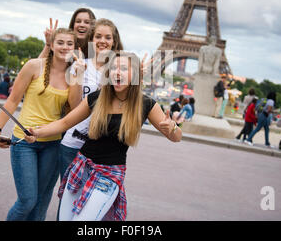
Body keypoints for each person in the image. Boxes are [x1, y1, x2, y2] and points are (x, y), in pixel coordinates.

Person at [25, 51, 182, 221]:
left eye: (123, 68)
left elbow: (176, 137)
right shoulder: (98, 98)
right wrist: (37, 132)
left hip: (109, 175)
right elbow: (65, 123)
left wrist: (172, 128)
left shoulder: (145, 104)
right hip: (81, 166)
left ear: (135, 74)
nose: (117, 72)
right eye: (113, 68)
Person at [0, 28, 79, 221]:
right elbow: (13, 100)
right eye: (60, 42)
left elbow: (74, 109)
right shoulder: (34, 66)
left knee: (41, 201)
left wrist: (78, 77)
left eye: (69, 44)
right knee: (27, 201)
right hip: (24, 140)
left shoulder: (73, 74)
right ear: (52, 45)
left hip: (53, 143)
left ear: (75, 48)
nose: (65, 47)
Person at [58, 19, 124, 181]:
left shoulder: (119, 71)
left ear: (114, 42)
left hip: (102, 147)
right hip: (73, 143)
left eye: (108, 37)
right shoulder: (79, 65)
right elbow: (74, 107)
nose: (103, 41)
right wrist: (78, 76)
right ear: (91, 40)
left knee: (88, 203)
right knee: (67, 199)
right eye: (98, 36)